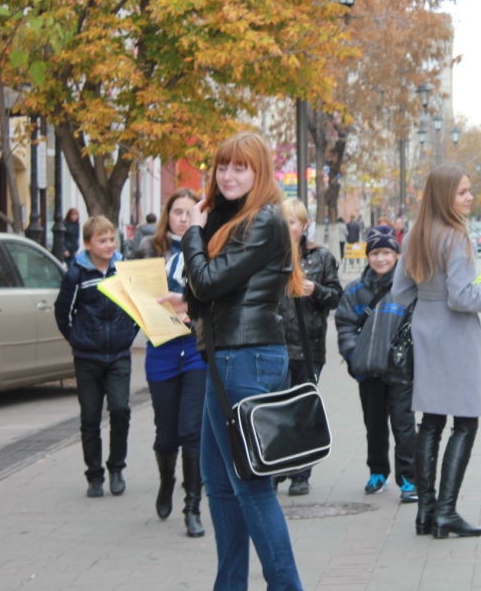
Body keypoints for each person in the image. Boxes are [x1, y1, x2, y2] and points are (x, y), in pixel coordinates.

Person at [181, 132, 304, 590]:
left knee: (249, 484)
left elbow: (208, 280)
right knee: (218, 483)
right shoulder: (231, 217)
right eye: (222, 166)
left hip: (245, 360)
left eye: (240, 167)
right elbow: (207, 290)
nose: (228, 175)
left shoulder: (264, 219)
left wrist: (191, 231)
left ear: (260, 172)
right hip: (226, 357)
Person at [393, 164, 481, 539]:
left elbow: (400, 292)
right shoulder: (457, 237)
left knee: (431, 420)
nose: (470, 197)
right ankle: (446, 511)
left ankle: (426, 513)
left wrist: (428, 304)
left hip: (427, 331)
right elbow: (462, 298)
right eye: (462, 192)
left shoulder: (415, 235)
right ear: (445, 196)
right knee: (466, 420)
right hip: (456, 336)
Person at [136, 189, 207, 536]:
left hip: (196, 348)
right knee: (166, 433)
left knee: (191, 428)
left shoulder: (208, 248)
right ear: (167, 215)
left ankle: (192, 505)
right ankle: (167, 481)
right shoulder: (151, 251)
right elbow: (138, 300)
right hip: (161, 348)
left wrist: (194, 318)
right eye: (177, 211)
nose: (182, 217)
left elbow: (215, 297)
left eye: (188, 211)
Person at [54, 216, 140, 498]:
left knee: (120, 410)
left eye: (111, 239)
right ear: (88, 244)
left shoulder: (123, 270)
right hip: (87, 357)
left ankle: (116, 468)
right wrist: (77, 339)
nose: (108, 245)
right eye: (102, 240)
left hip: (118, 354)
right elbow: (62, 312)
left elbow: (138, 306)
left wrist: (128, 333)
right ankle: (94, 475)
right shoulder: (76, 274)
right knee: (90, 417)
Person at [336, 225, 417, 503]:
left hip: (401, 371)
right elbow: (345, 326)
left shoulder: (408, 287)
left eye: (386, 252)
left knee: (403, 423)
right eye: (375, 253)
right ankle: (377, 473)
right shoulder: (355, 291)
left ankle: (408, 478)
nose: (380, 259)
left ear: (397, 254)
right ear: (367, 255)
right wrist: (352, 355)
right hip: (368, 371)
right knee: (374, 425)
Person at [276, 198, 343, 496]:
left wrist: (316, 290)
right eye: (283, 221)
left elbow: (337, 297)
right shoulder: (267, 256)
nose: (288, 227)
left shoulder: (321, 257)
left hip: (309, 346)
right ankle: (276, 469)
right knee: (278, 411)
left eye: (292, 222)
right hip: (274, 345)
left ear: (303, 226)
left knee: (304, 411)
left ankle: (301, 473)